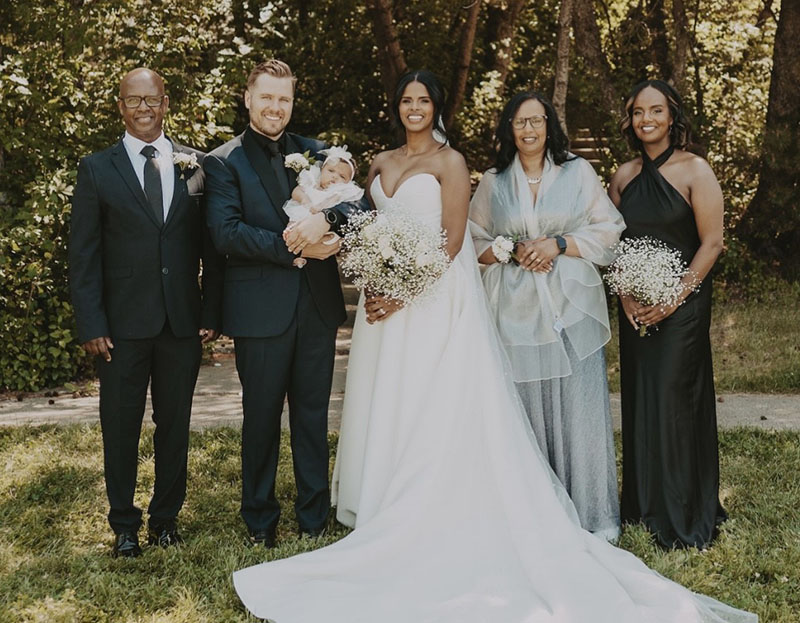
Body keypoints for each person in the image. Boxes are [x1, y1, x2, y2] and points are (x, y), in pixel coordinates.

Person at [230, 70, 755, 623]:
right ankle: (382, 500)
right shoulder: (387, 164)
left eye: (424, 101)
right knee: (390, 400)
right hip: (388, 303)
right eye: (406, 100)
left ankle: (482, 507)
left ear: (438, 108)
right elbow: (362, 219)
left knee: (463, 406)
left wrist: (411, 288)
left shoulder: (466, 164)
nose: (415, 108)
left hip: (443, 301)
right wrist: (367, 263)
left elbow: (454, 240)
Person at [204, 59, 359, 548]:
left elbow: (357, 204)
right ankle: (260, 520)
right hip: (259, 311)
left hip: (315, 307)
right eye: (267, 97)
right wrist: (297, 244)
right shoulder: (222, 161)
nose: (276, 107)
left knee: (312, 416)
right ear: (248, 98)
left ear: (293, 102)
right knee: (262, 417)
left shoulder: (317, 152)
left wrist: (327, 222)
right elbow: (226, 232)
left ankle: (314, 517)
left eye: (284, 99)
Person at [69, 67, 223, 557]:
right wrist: (91, 323)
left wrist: (210, 309)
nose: (142, 108)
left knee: (174, 423)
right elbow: (83, 255)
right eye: (132, 100)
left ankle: (166, 519)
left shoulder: (196, 164)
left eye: (151, 99)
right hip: (119, 328)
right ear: (120, 106)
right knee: (120, 424)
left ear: (166, 101)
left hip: (181, 323)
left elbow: (211, 247)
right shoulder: (96, 168)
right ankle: (124, 525)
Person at [469, 91, 624, 540]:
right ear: (508, 129)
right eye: (520, 122)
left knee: (580, 409)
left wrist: (556, 244)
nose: (529, 130)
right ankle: (536, 515)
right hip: (515, 312)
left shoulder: (577, 172)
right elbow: (472, 241)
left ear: (550, 125)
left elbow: (608, 229)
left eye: (536, 121)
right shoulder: (494, 182)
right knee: (526, 410)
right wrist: (509, 249)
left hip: (570, 307)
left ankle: (593, 516)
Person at [608, 79, 727, 549]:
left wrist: (674, 297)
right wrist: (626, 296)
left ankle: (682, 513)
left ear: (672, 117)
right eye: (639, 112)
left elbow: (712, 242)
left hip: (683, 306)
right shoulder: (622, 176)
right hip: (636, 306)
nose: (647, 120)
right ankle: (642, 507)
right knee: (641, 398)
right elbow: (611, 243)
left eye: (656, 111)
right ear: (631, 119)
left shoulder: (695, 170)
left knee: (675, 402)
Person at [283, 146, 363, 266]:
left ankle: (304, 253)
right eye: (331, 171)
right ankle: (295, 252)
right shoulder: (311, 182)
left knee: (328, 239)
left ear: (348, 182)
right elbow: (297, 191)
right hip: (303, 213)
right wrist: (305, 200)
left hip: (322, 224)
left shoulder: (338, 192)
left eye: (342, 176)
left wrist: (321, 207)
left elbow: (333, 204)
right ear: (322, 170)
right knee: (294, 229)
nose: (335, 176)